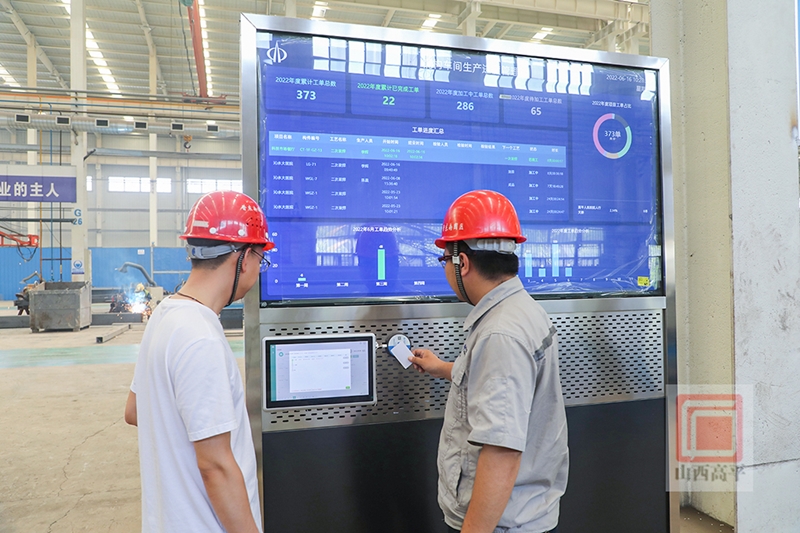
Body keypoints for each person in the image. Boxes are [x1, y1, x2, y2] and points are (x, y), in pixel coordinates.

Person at [409, 190, 569, 533]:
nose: (445, 269)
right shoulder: (522, 310)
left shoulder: (500, 334)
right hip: (522, 513)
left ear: (462, 263)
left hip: (501, 523)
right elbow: (501, 385)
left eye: (444, 259)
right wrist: (442, 368)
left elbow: (502, 452)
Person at [124, 190, 273, 533]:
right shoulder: (201, 337)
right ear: (244, 258)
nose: (258, 271)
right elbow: (215, 466)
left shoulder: (166, 315)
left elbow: (134, 410)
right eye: (261, 259)